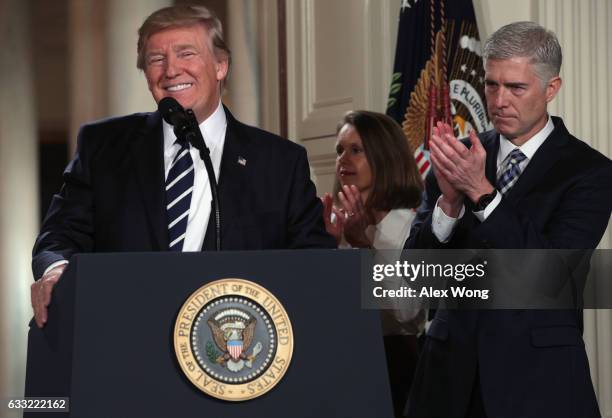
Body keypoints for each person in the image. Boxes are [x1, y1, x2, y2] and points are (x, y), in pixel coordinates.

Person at [31, 5, 335, 329]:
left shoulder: (279, 162)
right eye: (155, 59)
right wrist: (56, 271)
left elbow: (309, 261)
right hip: (126, 342)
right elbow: (58, 236)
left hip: (235, 353)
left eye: (185, 53)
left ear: (220, 65)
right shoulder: (103, 146)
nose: (171, 70)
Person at [404, 22, 612, 417]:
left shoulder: (590, 172)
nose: (499, 100)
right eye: (491, 85)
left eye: (516, 88)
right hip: (446, 383)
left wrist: (482, 195)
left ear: (551, 88)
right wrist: (448, 205)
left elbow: (549, 275)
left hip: (537, 385)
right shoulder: (457, 157)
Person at [322, 110, 424, 418]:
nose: (344, 159)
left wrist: (364, 247)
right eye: (340, 150)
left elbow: (407, 313)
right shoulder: (334, 225)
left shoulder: (410, 226)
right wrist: (324, 245)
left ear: (384, 157)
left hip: (398, 366)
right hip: (342, 363)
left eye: (356, 150)